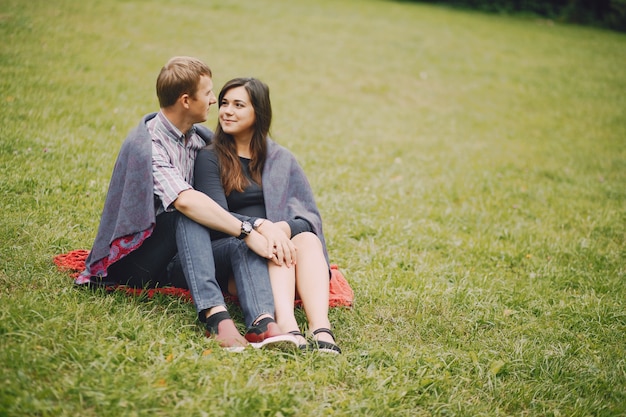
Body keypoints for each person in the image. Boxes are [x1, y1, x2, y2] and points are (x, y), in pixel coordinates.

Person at [76, 57, 298, 352]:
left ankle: (262, 323)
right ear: (185, 100)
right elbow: (187, 202)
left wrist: (254, 230)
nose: (212, 101)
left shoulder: (196, 140)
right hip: (139, 261)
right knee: (187, 209)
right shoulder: (149, 144)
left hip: (184, 258)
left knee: (238, 244)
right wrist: (247, 229)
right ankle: (215, 316)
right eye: (208, 94)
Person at [194, 77, 341, 354]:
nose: (227, 111)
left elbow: (307, 216)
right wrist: (262, 230)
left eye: (238, 105)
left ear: (258, 113)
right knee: (271, 245)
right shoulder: (210, 157)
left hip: (279, 252)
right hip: (235, 249)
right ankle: (286, 324)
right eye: (224, 103)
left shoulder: (280, 159)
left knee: (307, 239)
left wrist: (281, 228)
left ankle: (320, 328)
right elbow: (216, 217)